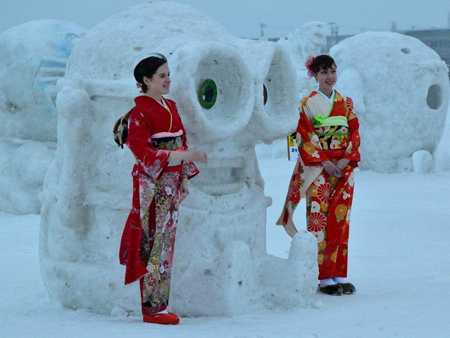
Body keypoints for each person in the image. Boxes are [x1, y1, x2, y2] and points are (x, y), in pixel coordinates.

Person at [119, 54, 207, 324]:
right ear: (145, 81)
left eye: (169, 74)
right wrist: (182, 156)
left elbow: (180, 139)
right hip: (151, 184)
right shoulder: (140, 112)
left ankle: (160, 304)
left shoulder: (170, 105)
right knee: (153, 242)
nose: (168, 80)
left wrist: (183, 177)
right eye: (162, 76)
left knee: (165, 243)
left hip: (170, 183)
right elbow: (141, 151)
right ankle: (152, 308)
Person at [277, 55, 361, 296]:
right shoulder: (306, 103)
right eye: (324, 72)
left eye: (332, 71)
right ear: (314, 76)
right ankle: (323, 278)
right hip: (320, 169)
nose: (330, 76)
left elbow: (354, 131)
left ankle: (338, 273)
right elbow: (301, 133)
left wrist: (346, 158)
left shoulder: (346, 103)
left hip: (344, 167)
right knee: (319, 219)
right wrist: (324, 160)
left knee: (341, 219)